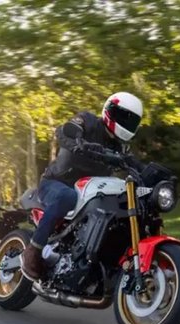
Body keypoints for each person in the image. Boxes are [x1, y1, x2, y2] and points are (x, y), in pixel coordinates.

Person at [20, 92, 145, 282]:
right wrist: (78, 144)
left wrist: (155, 175)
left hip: (89, 192)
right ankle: (33, 250)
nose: (126, 123)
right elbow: (63, 132)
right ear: (110, 111)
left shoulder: (120, 148)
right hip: (56, 183)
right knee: (67, 197)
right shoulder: (87, 121)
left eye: (131, 121)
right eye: (123, 116)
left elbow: (135, 165)